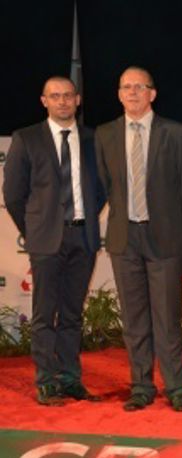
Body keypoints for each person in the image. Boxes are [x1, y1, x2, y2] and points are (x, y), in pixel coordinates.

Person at [95, 67, 182, 413]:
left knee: (168, 317)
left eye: (140, 87)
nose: (133, 92)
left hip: (165, 235)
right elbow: (108, 184)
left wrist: (165, 219)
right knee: (134, 318)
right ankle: (141, 386)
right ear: (119, 94)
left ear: (152, 94)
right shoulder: (106, 134)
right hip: (125, 237)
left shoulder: (176, 133)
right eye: (126, 87)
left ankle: (176, 387)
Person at [3, 76, 105, 406]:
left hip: (83, 236)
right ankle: (46, 380)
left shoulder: (94, 139)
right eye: (55, 96)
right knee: (45, 313)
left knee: (73, 313)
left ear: (78, 100)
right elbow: (14, 194)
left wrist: (84, 218)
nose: (62, 101)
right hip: (45, 238)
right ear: (44, 101)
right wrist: (35, 229)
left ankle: (70, 378)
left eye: (68, 96)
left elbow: (101, 189)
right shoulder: (27, 138)